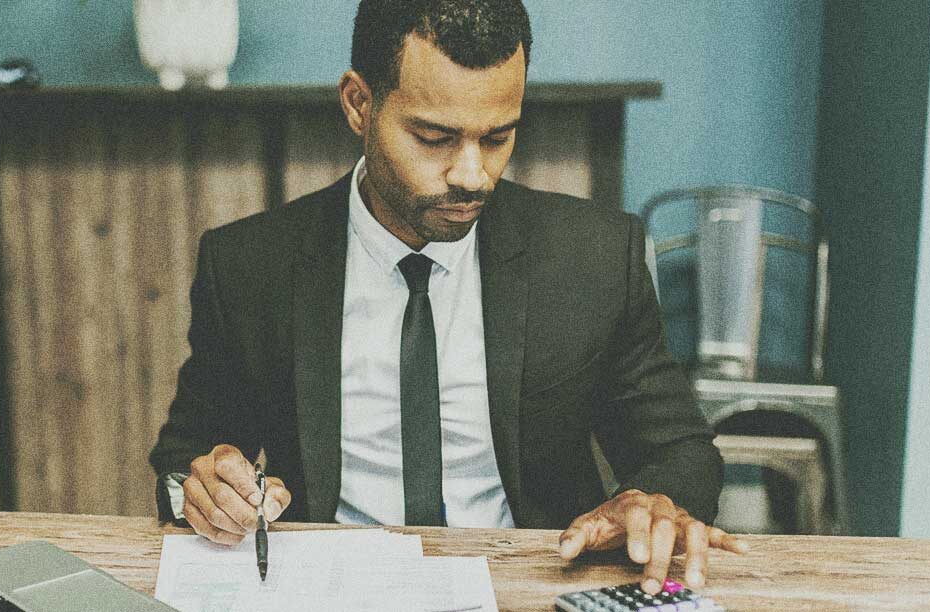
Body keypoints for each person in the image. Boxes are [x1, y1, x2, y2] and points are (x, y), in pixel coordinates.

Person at [150, 0, 746, 595]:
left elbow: (681, 450)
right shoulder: (252, 266)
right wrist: (203, 491)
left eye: (498, 137)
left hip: (533, 584)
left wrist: (652, 502)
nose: (471, 175)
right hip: (327, 590)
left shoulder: (592, 258)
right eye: (434, 137)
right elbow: (184, 459)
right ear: (360, 104)